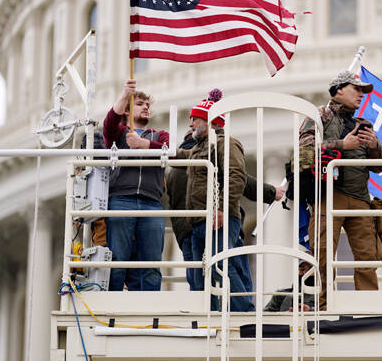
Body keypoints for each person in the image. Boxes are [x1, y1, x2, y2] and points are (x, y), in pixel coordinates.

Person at [299, 71, 382, 310]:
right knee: (324, 255)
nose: (361, 95)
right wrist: (342, 145)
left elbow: (379, 167)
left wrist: (374, 146)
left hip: (360, 199)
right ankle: (326, 304)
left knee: (368, 256)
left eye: (363, 91)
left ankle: (368, 307)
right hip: (329, 196)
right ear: (338, 90)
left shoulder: (363, 125)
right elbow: (304, 155)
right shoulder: (318, 116)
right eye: (356, 89)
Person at [166, 133, 285, 291]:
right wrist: (271, 191)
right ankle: (244, 312)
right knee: (233, 272)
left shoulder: (172, 172)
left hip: (186, 232)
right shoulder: (204, 159)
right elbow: (240, 179)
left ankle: (202, 314)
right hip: (215, 224)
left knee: (199, 282)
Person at [176, 88, 253, 311]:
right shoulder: (200, 147)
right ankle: (208, 311)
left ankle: (243, 310)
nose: (190, 124)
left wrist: (221, 209)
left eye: (195, 119)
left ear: (209, 121)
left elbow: (236, 176)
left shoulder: (225, 143)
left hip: (219, 218)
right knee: (202, 272)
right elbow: (180, 156)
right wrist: (148, 147)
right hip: (199, 221)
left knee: (220, 262)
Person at [102, 79, 169, 291]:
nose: (147, 107)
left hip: (151, 202)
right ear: (128, 111)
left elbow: (171, 151)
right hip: (122, 199)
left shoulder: (159, 135)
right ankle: (111, 305)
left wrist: (144, 145)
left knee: (151, 262)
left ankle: (150, 309)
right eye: (140, 104)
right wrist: (124, 95)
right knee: (118, 260)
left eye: (148, 104)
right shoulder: (119, 134)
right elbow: (109, 123)